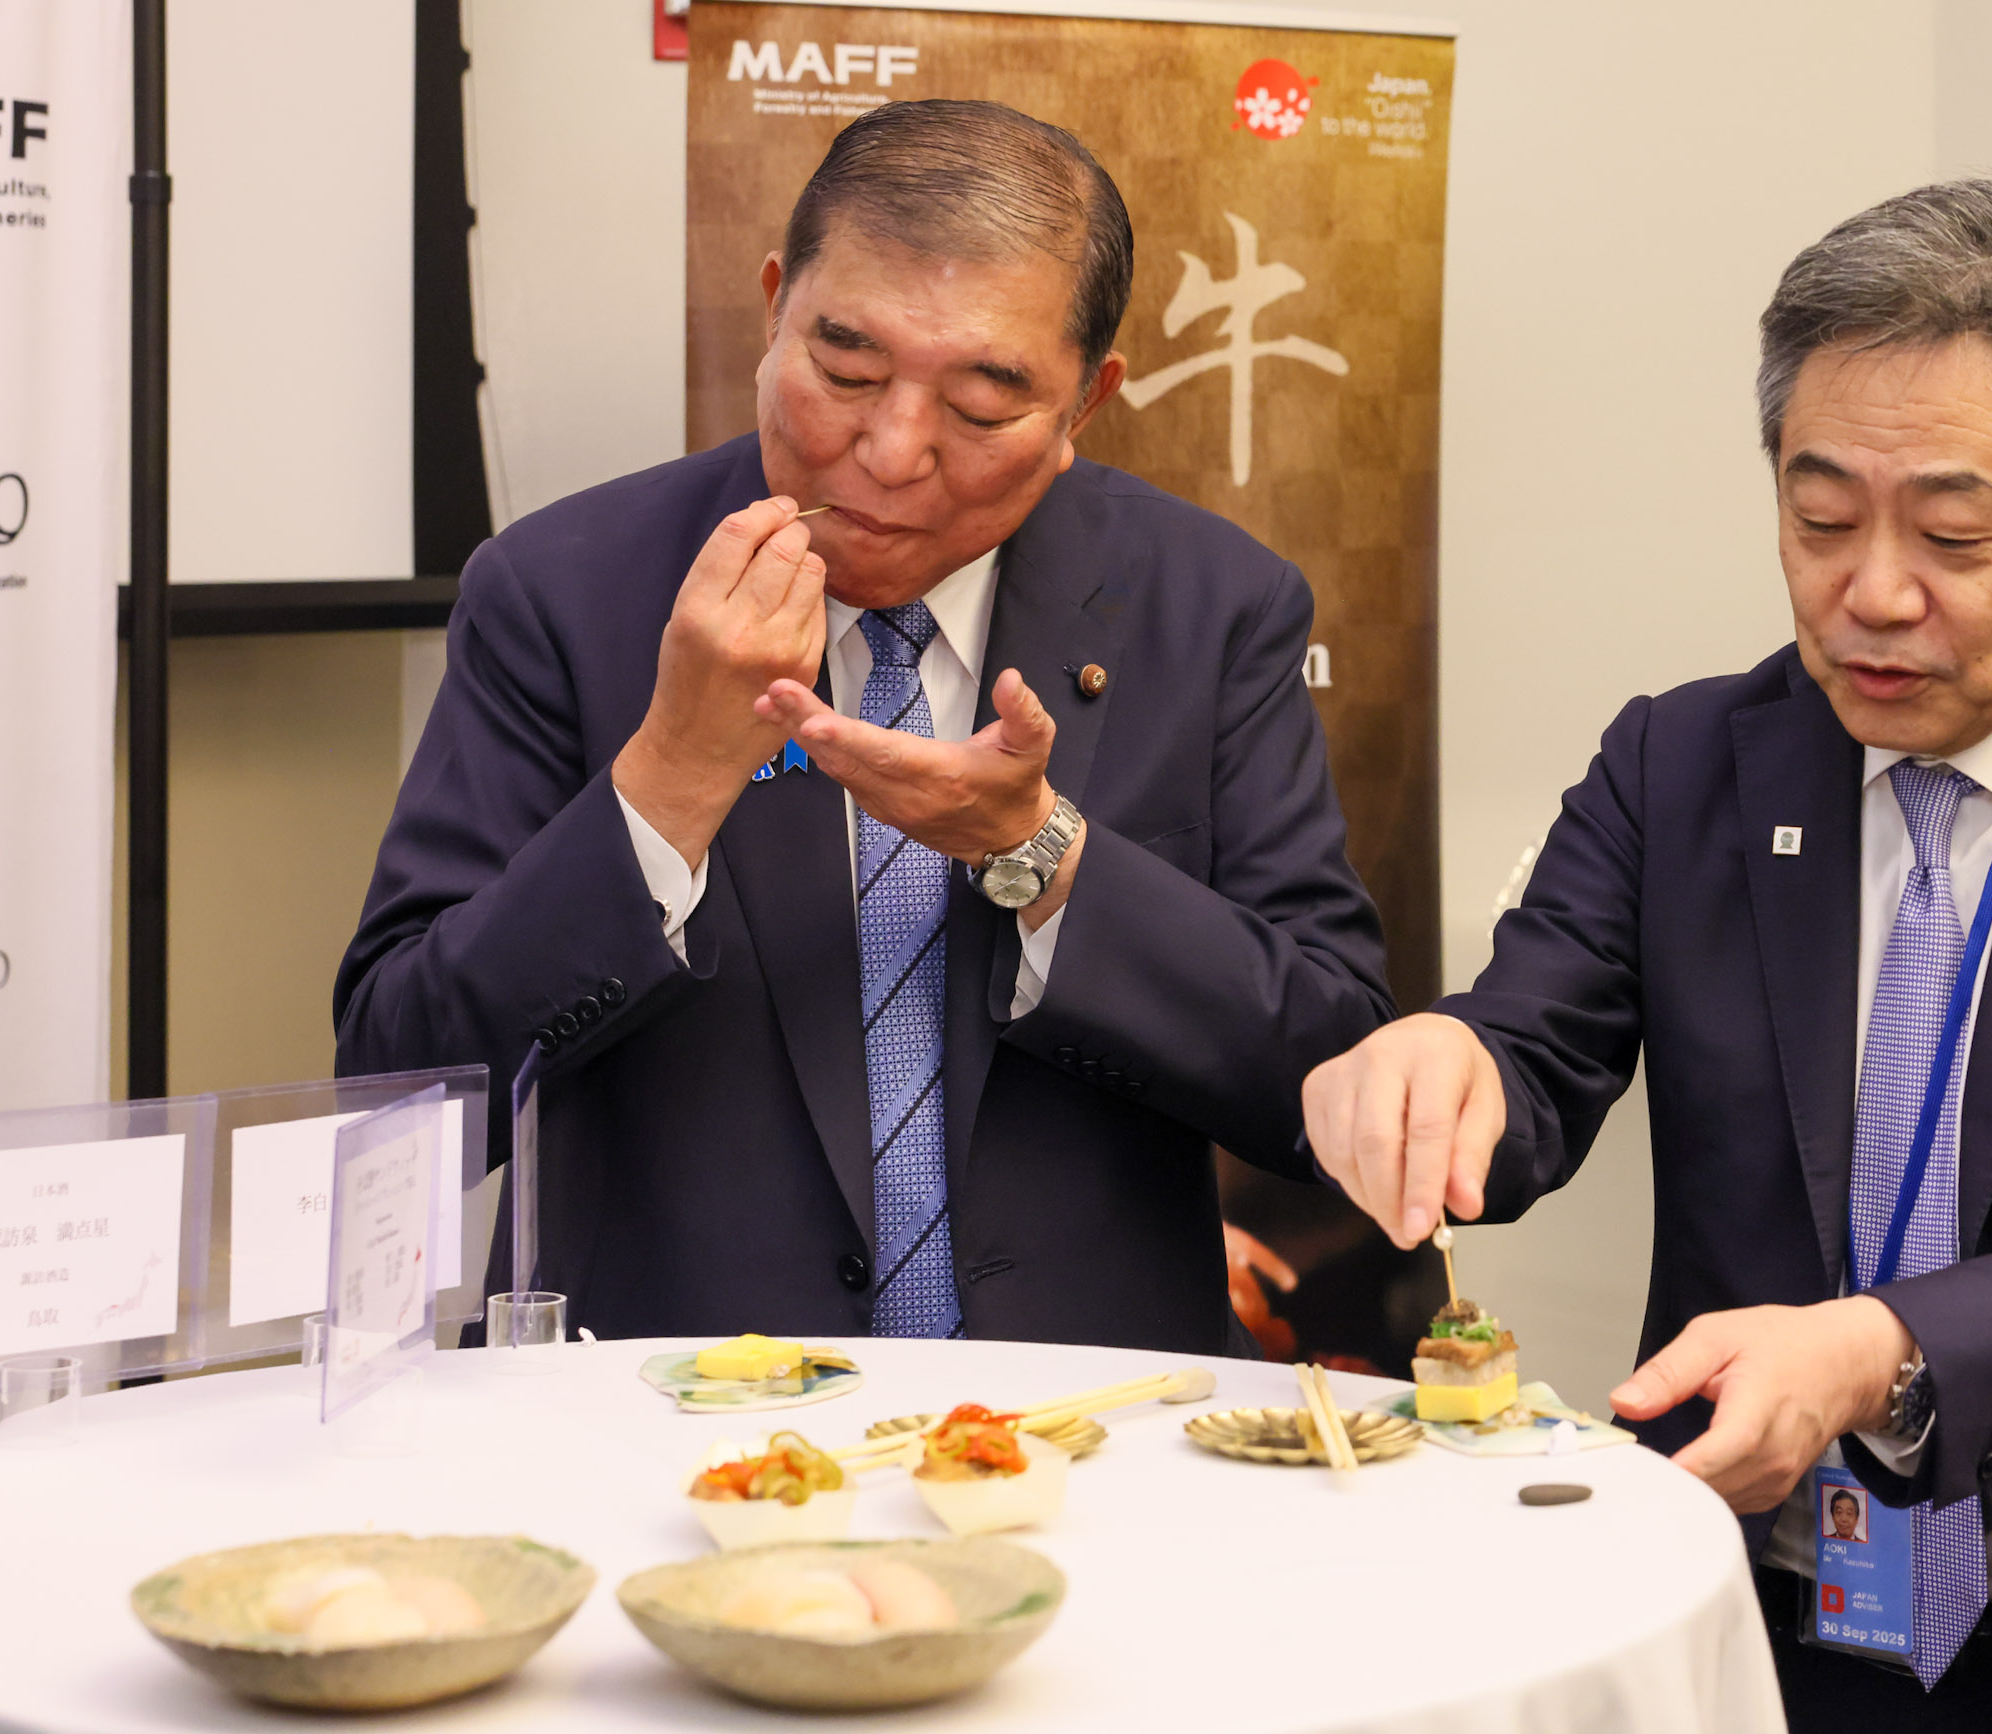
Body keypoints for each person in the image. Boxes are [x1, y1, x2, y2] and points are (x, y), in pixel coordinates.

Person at [1303, 179, 1992, 1731]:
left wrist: (1882, 1348)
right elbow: (1535, 1043)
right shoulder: (1680, 764)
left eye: (1954, 533)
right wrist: (1451, 1060)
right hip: (1764, 1616)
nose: (1873, 594)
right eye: (1820, 519)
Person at [335, 100, 1391, 1354]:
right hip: (663, 1410)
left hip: (1084, 1418)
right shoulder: (562, 590)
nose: (890, 452)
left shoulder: (1209, 607)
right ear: (774, 307)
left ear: (1084, 406)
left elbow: (1331, 1078)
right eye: (845, 372)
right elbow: (401, 1090)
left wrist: (1045, 857)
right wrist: (669, 779)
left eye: (982, 406)